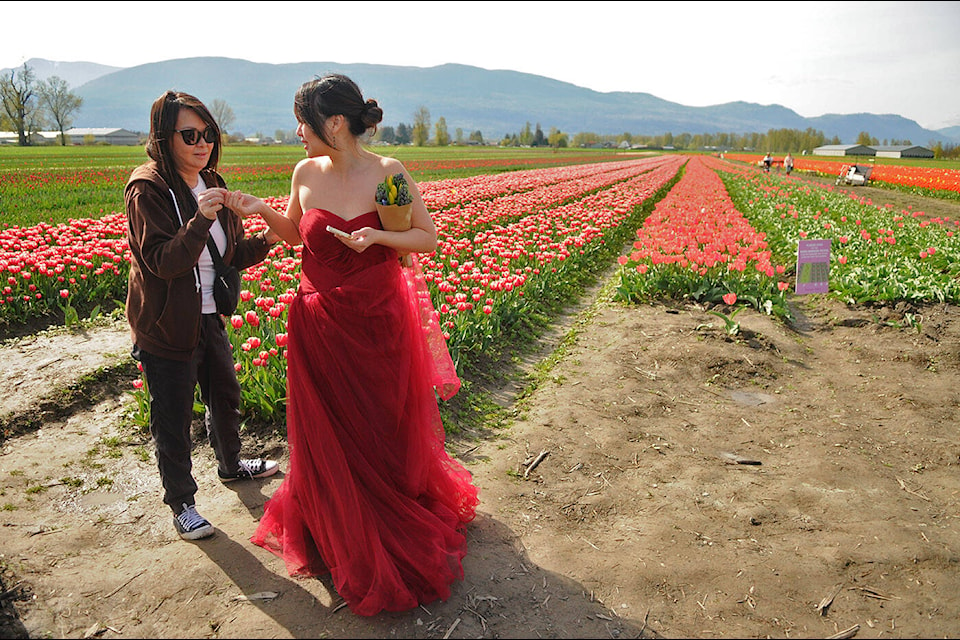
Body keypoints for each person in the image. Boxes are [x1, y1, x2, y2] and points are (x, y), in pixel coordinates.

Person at [226, 73, 478, 616]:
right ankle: (337, 523)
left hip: (378, 322)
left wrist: (378, 236)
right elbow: (295, 234)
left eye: (304, 120)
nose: (298, 131)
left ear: (334, 123)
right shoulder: (303, 172)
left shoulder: (388, 173)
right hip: (319, 322)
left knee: (379, 422)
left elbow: (428, 238)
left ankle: (384, 515)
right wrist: (260, 210)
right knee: (328, 430)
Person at [124, 90, 280, 541]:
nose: (202, 142)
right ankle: (183, 504)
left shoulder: (211, 179)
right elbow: (162, 261)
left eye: (208, 133)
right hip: (165, 324)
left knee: (226, 395)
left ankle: (231, 465)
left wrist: (269, 238)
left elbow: (226, 256)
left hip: (210, 315)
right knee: (172, 417)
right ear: (163, 137)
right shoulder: (148, 188)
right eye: (190, 134)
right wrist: (199, 219)